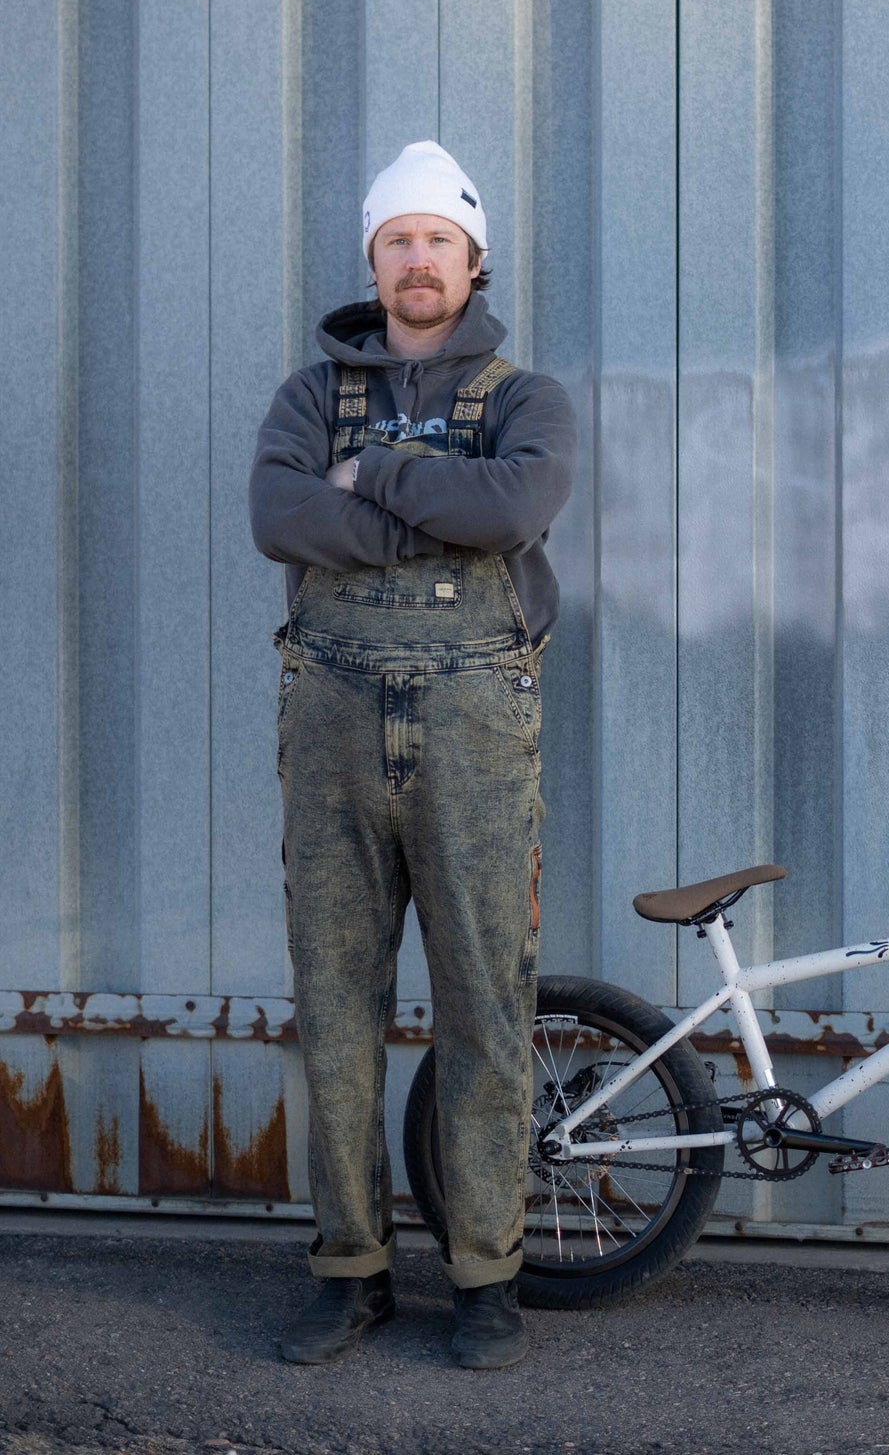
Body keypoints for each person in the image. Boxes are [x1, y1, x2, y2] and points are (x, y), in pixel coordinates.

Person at [248, 140, 577, 1368]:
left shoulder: (528, 396)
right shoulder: (305, 393)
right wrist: (436, 495)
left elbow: (510, 510)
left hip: (477, 723)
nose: (418, 258)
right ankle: (350, 1271)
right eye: (398, 240)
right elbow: (278, 516)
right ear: (374, 259)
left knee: (487, 1005)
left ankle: (486, 1276)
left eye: (438, 238)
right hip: (330, 714)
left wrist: (377, 476)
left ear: (474, 258)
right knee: (337, 1004)